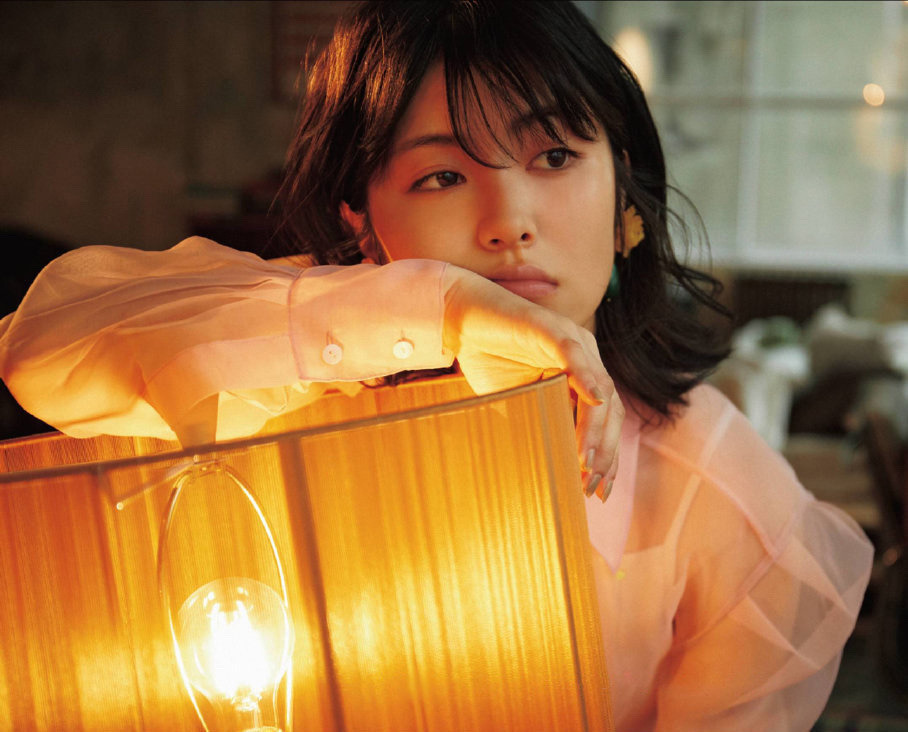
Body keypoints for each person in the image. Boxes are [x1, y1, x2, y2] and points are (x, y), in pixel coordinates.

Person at [0, 1, 872, 729]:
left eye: (555, 157)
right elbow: (42, 349)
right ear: (360, 216)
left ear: (623, 195)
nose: (509, 220)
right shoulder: (297, 357)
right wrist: (445, 311)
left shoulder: (719, 490)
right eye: (441, 177)